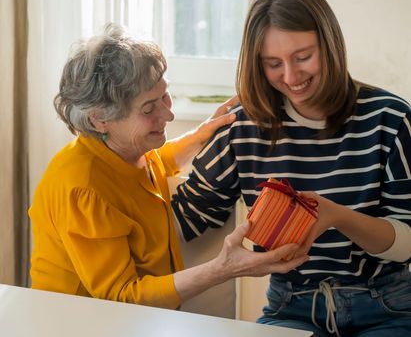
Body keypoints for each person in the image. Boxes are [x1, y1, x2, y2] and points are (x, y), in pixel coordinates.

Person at [172, 0, 411, 335]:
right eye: (273, 64)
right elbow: (187, 217)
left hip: (386, 307)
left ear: (329, 44)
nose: (291, 76)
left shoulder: (390, 118)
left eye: (303, 56)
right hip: (291, 307)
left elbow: (406, 245)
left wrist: (335, 216)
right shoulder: (242, 127)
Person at [28, 24, 308, 309]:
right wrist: (222, 269)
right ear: (100, 119)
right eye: (149, 109)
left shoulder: (127, 150)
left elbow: (156, 162)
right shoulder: (83, 188)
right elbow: (121, 298)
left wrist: (197, 137)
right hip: (80, 323)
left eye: (165, 95)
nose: (169, 114)